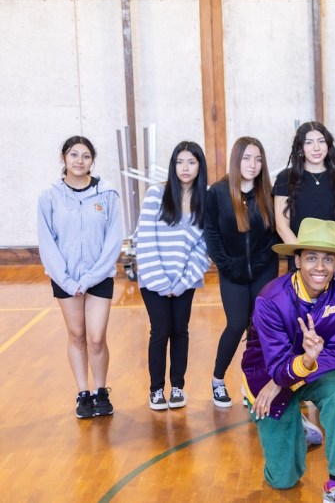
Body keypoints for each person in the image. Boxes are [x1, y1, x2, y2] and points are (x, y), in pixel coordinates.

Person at [242, 218, 335, 502]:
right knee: (283, 481)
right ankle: (298, 422)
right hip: (267, 375)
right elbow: (275, 367)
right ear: (297, 261)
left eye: (328, 259)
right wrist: (289, 373)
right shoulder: (270, 299)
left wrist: (307, 365)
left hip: (318, 369)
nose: (319, 267)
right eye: (311, 258)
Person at [37, 136, 123, 418]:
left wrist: (90, 278)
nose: (79, 161)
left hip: (98, 277)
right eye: (74, 155)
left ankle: (101, 391)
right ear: (64, 157)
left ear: (92, 161)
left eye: (86, 156)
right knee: (77, 335)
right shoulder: (49, 196)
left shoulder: (107, 194)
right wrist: (68, 281)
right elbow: (47, 242)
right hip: (66, 279)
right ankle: (83, 394)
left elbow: (113, 240)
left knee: (96, 338)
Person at [204, 136, 279, 407]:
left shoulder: (267, 192)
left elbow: (276, 232)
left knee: (259, 328)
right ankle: (217, 379)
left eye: (258, 159)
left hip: (263, 270)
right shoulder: (218, 192)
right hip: (231, 272)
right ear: (236, 160)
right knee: (236, 325)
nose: (253, 164)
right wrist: (225, 264)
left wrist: (263, 260)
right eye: (247, 158)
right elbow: (210, 232)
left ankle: (253, 385)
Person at [136, 141, 210, 410]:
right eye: (180, 162)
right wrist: (161, 283)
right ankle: (156, 390)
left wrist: (180, 284)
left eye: (191, 162)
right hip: (154, 280)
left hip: (184, 282)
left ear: (200, 165)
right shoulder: (157, 194)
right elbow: (144, 239)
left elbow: (204, 248)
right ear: (173, 165)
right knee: (160, 331)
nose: (185, 167)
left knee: (180, 331)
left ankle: (177, 387)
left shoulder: (206, 200)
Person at [273, 121, 335, 272]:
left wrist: (331, 259)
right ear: (300, 148)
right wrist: (304, 259)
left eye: (321, 141)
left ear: (328, 146)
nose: (316, 148)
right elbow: (282, 226)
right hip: (300, 260)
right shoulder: (285, 179)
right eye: (309, 142)